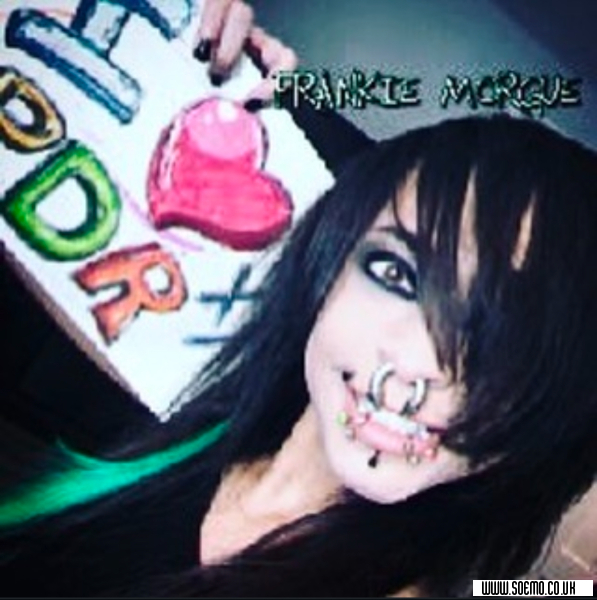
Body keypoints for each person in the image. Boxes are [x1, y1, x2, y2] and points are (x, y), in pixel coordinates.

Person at [2, 1, 597, 596]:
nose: (415, 364)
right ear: (330, 266)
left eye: (510, 339)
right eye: (395, 273)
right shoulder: (193, 398)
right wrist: (159, 56)